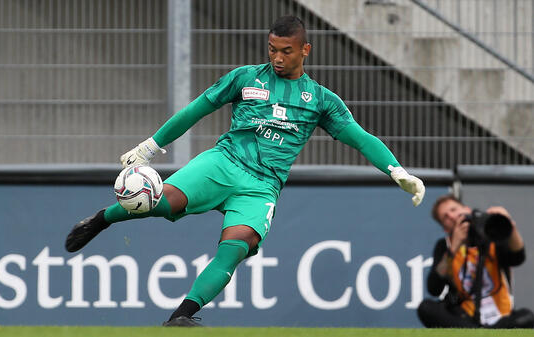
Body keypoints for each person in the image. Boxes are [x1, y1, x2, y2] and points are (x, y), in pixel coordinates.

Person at [65, 15, 425, 327]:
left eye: (286, 50)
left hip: (262, 185)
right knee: (161, 202)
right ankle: (102, 219)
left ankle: (181, 315)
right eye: (272, 49)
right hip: (223, 162)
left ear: (305, 51)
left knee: (238, 245)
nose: (277, 57)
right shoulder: (245, 78)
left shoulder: (320, 100)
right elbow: (196, 110)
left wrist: (397, 171)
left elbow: (361, 139)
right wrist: (151, 146)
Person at [417, 194, 534, 328]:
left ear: (467, 210)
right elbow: (434, 288)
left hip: (501, 315)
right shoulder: (445, 245)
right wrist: (454, 247)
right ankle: (479, 332)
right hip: (465, 317)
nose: (451, 216)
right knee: (426, 308)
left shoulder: (491, 232)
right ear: (445, 228)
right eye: (445, 217)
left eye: (454, 210)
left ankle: (482, 333)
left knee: (527, 317)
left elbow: (517, 257)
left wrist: (509, 225)